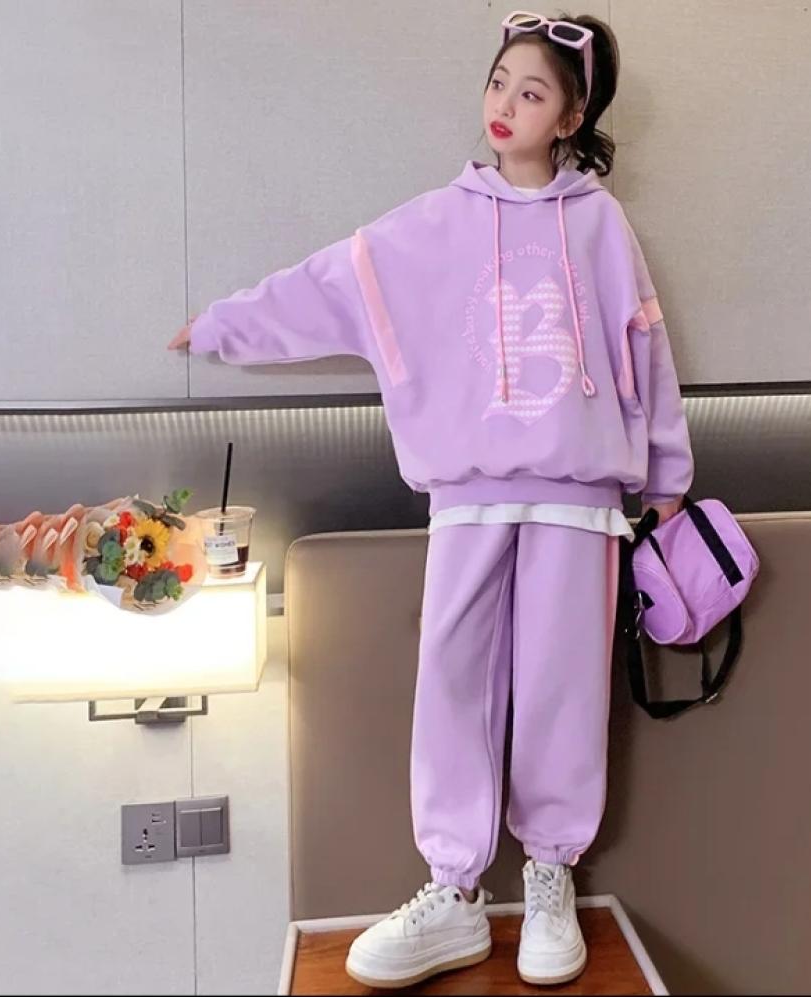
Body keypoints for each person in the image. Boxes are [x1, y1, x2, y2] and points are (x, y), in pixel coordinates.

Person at [169, 9, 693, 989]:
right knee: (452, 680)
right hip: (466, 494)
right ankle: (453, 893)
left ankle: (549, 876)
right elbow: (330, 287)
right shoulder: (436, 222)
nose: (505, 105)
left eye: (531, 93)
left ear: (569, 116)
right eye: (498, 82)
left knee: (562, 686)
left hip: (578, 499)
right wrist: (225, 326)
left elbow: (644, 348)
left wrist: (665, 479)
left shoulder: (600, 225)